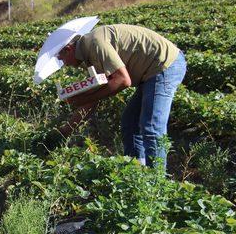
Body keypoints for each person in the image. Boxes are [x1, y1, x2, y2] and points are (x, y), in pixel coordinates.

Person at [57, 24, 186, 168]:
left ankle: (157, 182)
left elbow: (123, 81)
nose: (64, 64)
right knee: (130, 123)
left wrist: (83, 99)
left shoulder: (95, 43)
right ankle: (137, 172)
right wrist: (65, 130)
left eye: (61, 59)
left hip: (164, 65)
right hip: (150, 72)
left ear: (68, 49)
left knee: (151, 125)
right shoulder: (89, 56)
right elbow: (94, 100)